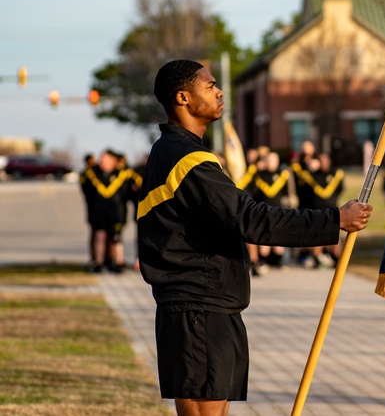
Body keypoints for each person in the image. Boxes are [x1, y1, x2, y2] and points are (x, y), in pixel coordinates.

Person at [137, 60, 371, 415]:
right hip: (199, 307)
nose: (219, 92)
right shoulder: (187, 160)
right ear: (182, 98)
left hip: (203, 305)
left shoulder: (172, 152)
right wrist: (334, 220)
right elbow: (251, 219)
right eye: (210, 85)